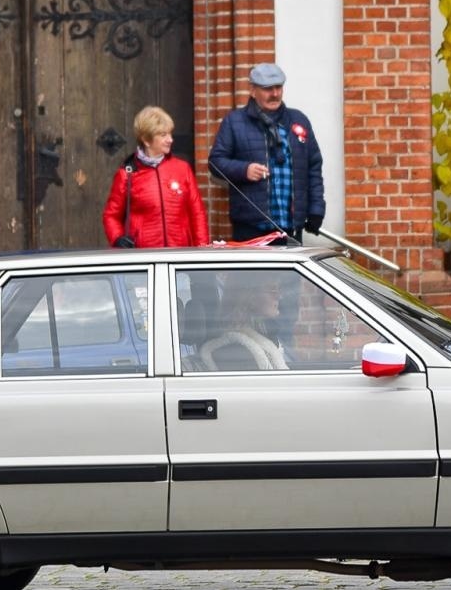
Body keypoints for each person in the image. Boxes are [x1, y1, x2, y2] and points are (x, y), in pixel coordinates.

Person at [208, 63, 325, 243]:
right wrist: (244, 170)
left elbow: (313, 167)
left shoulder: (299, 120)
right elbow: (216, 162)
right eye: (267, 89)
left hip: (291, 227)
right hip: (250, 228)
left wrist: (316, 209)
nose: (275, 94)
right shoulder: (234, 121)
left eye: (278, 87)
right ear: (253, 91)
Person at [102, 105, 208, 248]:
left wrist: (201, 250)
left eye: (170, 134)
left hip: (180, 256)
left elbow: (197, 214)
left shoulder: (183, 169)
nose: (170, 139)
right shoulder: (127, 173)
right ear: (146, 140)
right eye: (163, 135)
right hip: (144, 259)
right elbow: (111, 215)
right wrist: (117, 238)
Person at [198, 273, 288, 371]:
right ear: (250, 297)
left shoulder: (263, 339)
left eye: (279, 289)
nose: (279, 296)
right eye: (272, 289)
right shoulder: (239, 351)